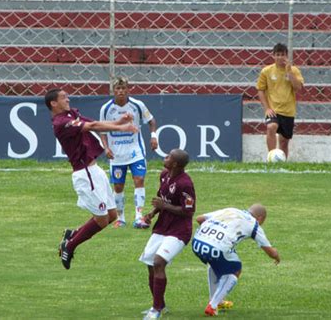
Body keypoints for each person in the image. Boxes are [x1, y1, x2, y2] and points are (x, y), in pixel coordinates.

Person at [44, 88, 137, 270]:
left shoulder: (71, 114)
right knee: (101, 220)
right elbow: (92, 127)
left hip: (95, 171)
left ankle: (73, 234)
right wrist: (121, 128)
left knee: (112, 216)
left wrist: (118, 121)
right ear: (53, 103)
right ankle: (69, 246)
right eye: (63, 97)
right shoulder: (61, 122)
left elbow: (92, 122)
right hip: (85, 174)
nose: (68, 99)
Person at [192, 204, 280, 316]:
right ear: (260, 218)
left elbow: (199, 218)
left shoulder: (230, 210)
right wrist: (277, 256)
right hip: (216, 247)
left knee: (217, 262)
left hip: (197, 242)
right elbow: (270, 252)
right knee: (236, 269)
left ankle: (217, 301)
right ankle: (213, 306)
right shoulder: (254, 224)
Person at [139, 149, 196, 320]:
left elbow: (188, 211)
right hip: (162, 227)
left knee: (158, 262)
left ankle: (155, 310)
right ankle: (160, 304)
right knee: (150, 263)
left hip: (179, 231)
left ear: (176, 164)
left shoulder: (185, 184)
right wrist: (152, 213)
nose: (165, 158)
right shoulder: (164, 175)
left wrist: (164, 207)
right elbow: (162, 200)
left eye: (168, 157)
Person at [99, 77, 158, 229]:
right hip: (117, 155)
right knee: (118, 186)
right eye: (118, 88)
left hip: (135, 151)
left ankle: (139, 217)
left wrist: (153, 136)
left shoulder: (137, 105)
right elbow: (102, 130)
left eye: (123, 88)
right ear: (114, 90)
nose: (120, 91)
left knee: (139, 179)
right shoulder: (106, 109)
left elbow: (151, 121)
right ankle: (120, 217)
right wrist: (106, 148)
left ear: (128, 90)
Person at [256, 43, 304, 159]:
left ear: (286, 56)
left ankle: (282, 164)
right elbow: (260, 90)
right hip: (273, 110)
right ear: (273, 56)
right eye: (277, 55)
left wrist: (290, 73)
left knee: (284, 141)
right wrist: (267, 108)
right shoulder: (266, 71)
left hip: (288, 111)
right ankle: (271, 159)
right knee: (271, 127)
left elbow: (298, 88)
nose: (280, 57)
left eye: (282, 55)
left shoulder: (294, 70)